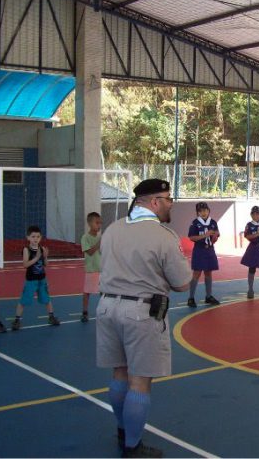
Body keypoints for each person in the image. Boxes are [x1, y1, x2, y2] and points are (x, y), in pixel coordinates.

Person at [97, 178, 191, 458]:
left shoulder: (112, 229)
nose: (171, 203)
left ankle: (123, 430)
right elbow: (182, 283)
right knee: (140, 381)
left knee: (119, 372)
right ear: (154, 202)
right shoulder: (163, 236)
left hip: (106, 307)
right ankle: (133, 448)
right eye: (168, 198)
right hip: (140, 313)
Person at [11, 225, 60, 330]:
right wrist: (37, 257)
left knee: (47, 299)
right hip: (31, 280)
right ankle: (17, 319)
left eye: (38, 237)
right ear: (28, 237)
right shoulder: (26, 250)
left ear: (40, 238)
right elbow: (25, 264)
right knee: (23, 300)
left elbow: (46, 264)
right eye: (33, 237)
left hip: (42, 279)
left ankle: (51, 316)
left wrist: (45, 256)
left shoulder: (42, 249)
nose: (35, 239)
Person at [187, 202, 220, 308]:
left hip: (209, 250)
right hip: (199, 251)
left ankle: (208, 296)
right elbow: (192, 237)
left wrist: (215, 236)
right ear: (198, 213)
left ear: (208, 210)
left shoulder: (213, 222)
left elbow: (216, 235)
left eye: (205, 210)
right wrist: (205, 235)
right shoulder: (195, 223)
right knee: (196, 273)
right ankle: (191, 298)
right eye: (201, 211)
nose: (204, 212)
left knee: (208, 273)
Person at [80, 212, 102, 323]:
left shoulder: (99, 238)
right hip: (91, 270)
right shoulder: (85, 238)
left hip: (101, 270)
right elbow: (90, 252)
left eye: (100, 223)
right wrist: (99, 243)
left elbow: (102, 252)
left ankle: (104, 311)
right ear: (89, 223)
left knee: (104, 292)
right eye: (96, 223)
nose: (99, 225)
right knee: (87, 293)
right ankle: (84, 312)